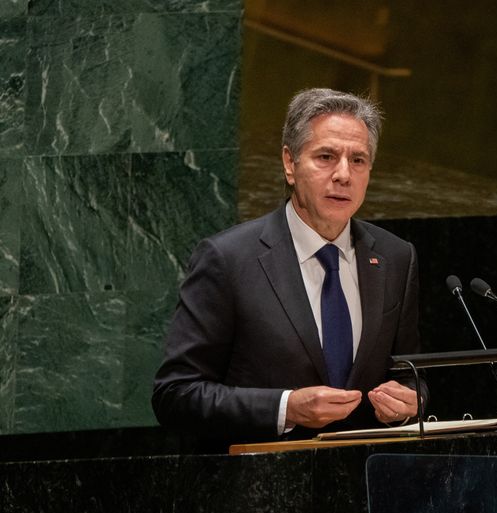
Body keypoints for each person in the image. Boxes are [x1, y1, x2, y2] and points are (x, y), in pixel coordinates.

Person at [152, 88, 425, 444]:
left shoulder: (395, 257)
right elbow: (175, 395)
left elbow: (410, 375)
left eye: (358, 160)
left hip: (366, 481)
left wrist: (411, 401)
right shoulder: (228, 259)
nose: (344, 174)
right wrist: (285, 408)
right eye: (326, 156)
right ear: (289, 163)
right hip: (262, 484)